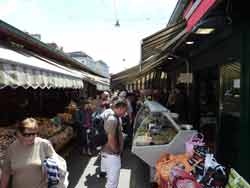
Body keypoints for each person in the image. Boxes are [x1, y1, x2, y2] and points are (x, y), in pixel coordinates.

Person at [1, 118, 55, 188]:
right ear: (19, 133)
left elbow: (56, 165)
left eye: (34, 134)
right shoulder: (12, 148)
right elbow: (6, 173)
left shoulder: (44, 144)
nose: (31, 137)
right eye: (27, 134)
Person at [100, 99, 128, 188]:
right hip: (111, 155)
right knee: (112, 183)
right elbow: (111, 139)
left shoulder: (113, 117)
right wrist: (116, 151)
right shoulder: (112, 119)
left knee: (111, 181)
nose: (125, 113)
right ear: (120, 108)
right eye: (125, 110)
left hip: (108, 154)